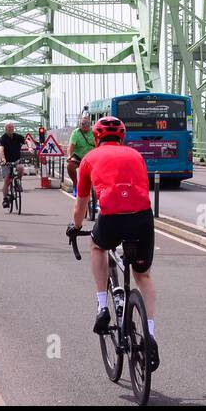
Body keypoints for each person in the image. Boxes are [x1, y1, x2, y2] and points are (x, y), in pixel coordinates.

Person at [70, 116, 159, 371]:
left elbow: (81, 204)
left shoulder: (89, 159)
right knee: (143, 276)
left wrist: (75, 227)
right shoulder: (136, 155)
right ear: (123, 137)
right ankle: (150, 334)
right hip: (142, 218)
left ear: (96, 138)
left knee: (98, 247)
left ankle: (101, 306)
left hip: (111, 219)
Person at [0, 122, 26, 208]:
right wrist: (3, 159)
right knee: (6, 180)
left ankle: (18, 183)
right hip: (6, 162)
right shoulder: (3, 139)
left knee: (21, 168)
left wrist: (29, 144)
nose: (10, 129)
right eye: (9, 128)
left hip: (16, 160)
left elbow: (25, 140)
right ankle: (5, 199)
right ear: (5, 129)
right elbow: (1, 149)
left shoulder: (17, 136)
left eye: (12, 127)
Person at [66, 114, 96, 192]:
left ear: (90, 124)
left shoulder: (94, 131)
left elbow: (99, 144)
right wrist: (69, 156)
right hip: (79, 156)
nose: (85, 126)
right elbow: (71, 146)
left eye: (87, 124)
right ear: (80, 125)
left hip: (92, 157)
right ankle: (75, 184)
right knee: (70, 166)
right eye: (83, 124)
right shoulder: (76, 133)